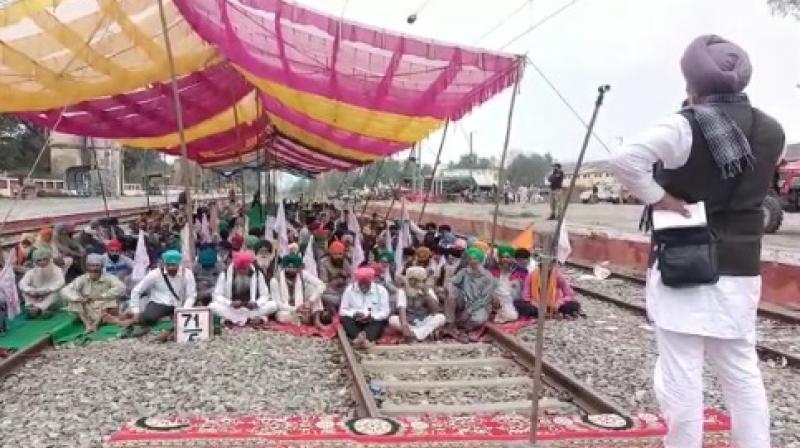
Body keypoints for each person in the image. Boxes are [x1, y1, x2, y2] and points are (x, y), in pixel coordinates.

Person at [609, 35, 780, 448]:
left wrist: (661, 198)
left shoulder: (684, 124)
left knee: (681, 372)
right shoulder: (771, 129)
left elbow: (624, 160)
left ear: (692, 83)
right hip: (740, 266)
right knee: (741, 370)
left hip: (684, 262)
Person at [125, 250, 197, 341]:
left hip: (179, 304)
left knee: (189, 319)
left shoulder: (187, 274)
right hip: (159, 302)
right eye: (168, 265)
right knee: (148, 317)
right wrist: (135, 310)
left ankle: (169, 331)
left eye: (173, 265)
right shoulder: (155, 274)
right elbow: (136, 290)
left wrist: (184, 311)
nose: (171, 268)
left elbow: (191, 295)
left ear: (179, 264)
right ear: (164, 264)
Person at [61, 253, 127, 332]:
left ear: (102, 267)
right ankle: (87, 325)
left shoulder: (109, 278)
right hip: (87, 310)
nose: (94, 268)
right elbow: (65, 290)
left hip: (103, 310)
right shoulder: (83, 278)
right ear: (87, 267)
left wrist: (100, 296)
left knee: (110, 300)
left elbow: (121, 288)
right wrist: (78, 298)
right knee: (74, 300)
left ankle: (96, 324)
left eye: (97, 266)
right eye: (91, 265)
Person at [210, 251, 276, 327]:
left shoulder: (258, 274)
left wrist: (257, 303)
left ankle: (232, 319)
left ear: (249, 266)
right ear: (235, 266)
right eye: (239, 269)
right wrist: (230, 303)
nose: (241, 271)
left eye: (244, 269)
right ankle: (252, 319)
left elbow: (265, 295)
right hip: (232, 309)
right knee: (212, 306)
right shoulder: (225, 274)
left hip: (252, 310)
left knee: (273, 305)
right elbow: (217, 295)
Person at [443, 247, 496, 341]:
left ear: (480, 260)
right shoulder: (464, 272)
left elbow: (486, 299)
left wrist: (469, 311)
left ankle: (463, 328)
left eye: (475, 259)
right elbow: (452, 282)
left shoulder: (488, 276)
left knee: (479, 319)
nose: (472, 261)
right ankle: (450, 322)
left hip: (479, 305)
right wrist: (448, 287)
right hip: (464, 301)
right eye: (470, 259)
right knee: (452, 291)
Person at [389, 266, 446, 342]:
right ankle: (424, 334)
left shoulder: (427, 290)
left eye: (415, 280)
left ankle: (415, 335)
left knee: (441, 317)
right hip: (409, 322)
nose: (412, 282)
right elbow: (401, 309)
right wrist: (404, 325)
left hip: (425, 321)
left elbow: (435, 310)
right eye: (411, 279)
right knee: (392, 320)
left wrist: (426, 294)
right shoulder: (402, 291)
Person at [339, 267, 390, 349]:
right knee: (345, 319)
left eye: (366, 283)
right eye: (361, 283)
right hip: (355, 319)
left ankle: (361, 339)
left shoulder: (381, 291)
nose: (363, 285)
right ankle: (361, 338)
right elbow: (342, 311)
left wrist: (372, 317)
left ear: (371, 281)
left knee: (379, 322)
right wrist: (354, 314)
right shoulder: (349, 290)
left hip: (372, 320)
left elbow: (385, 312)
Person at [271, 254, 327, 328]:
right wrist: (296, 309)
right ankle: (304, 319)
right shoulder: (275, 280)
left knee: (314, 291)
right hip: (287, 310)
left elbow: (321, 285)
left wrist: (310, 301)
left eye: (294, 267)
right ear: (284, 267)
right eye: (289, 267)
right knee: (282, 316)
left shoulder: (302, 274)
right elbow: (278, 304)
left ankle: (316, 320)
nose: (291, 269)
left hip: (303, 305)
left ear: (298, 268)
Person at [18, 248, 65, 318]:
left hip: (50, 294)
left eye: (44, 259)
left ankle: (38, 309)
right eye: (39, 260)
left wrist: (48, 290)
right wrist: (30, 290)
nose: (42, 262)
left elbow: (61, 282)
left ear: (49, 259)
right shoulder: (31, 272)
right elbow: (22, 283)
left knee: (56, 293)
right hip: (36, 295)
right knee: (25, 292)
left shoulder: (57, 270)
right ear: (35, 262)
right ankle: (32, 307)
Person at [489, 245, 523, 323]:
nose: (505, 259)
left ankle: (497, 313)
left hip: (509, 300)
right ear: (499, 258)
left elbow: (519, 291)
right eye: (503, 257)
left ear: (512, 259)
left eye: (508, 257)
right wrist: (493, 297)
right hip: (494, 299)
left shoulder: (518, 272)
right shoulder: (493, 271)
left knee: (513, 316)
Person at [318, 241, 352, 312]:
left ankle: (338, 305)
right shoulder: (323, 263)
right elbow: (323, 283)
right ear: (330, 254)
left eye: (340, 254)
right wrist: (335, 282)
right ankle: (341, 304)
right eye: (335, 254)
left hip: (343, 290)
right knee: (321, 296)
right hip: (330, 291)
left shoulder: (345, 261)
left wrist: (345, 280)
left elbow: (350, 278)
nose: (338, 257)